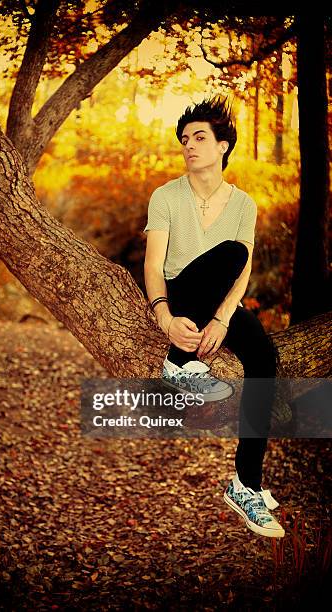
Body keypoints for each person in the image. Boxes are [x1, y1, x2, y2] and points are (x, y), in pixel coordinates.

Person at [143, 96, 285, 538]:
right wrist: (165, 318)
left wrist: (222, 321)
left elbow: (240, 276)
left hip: (221, 303)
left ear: (223, 145)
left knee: (263, 357)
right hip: (179, 295)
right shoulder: (166, 195)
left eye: (199, 137)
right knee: (229, 252)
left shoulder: (244, 205)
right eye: (185, 139)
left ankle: (245, 485)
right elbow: (153, 266)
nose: (189, 145)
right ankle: (177, 362)